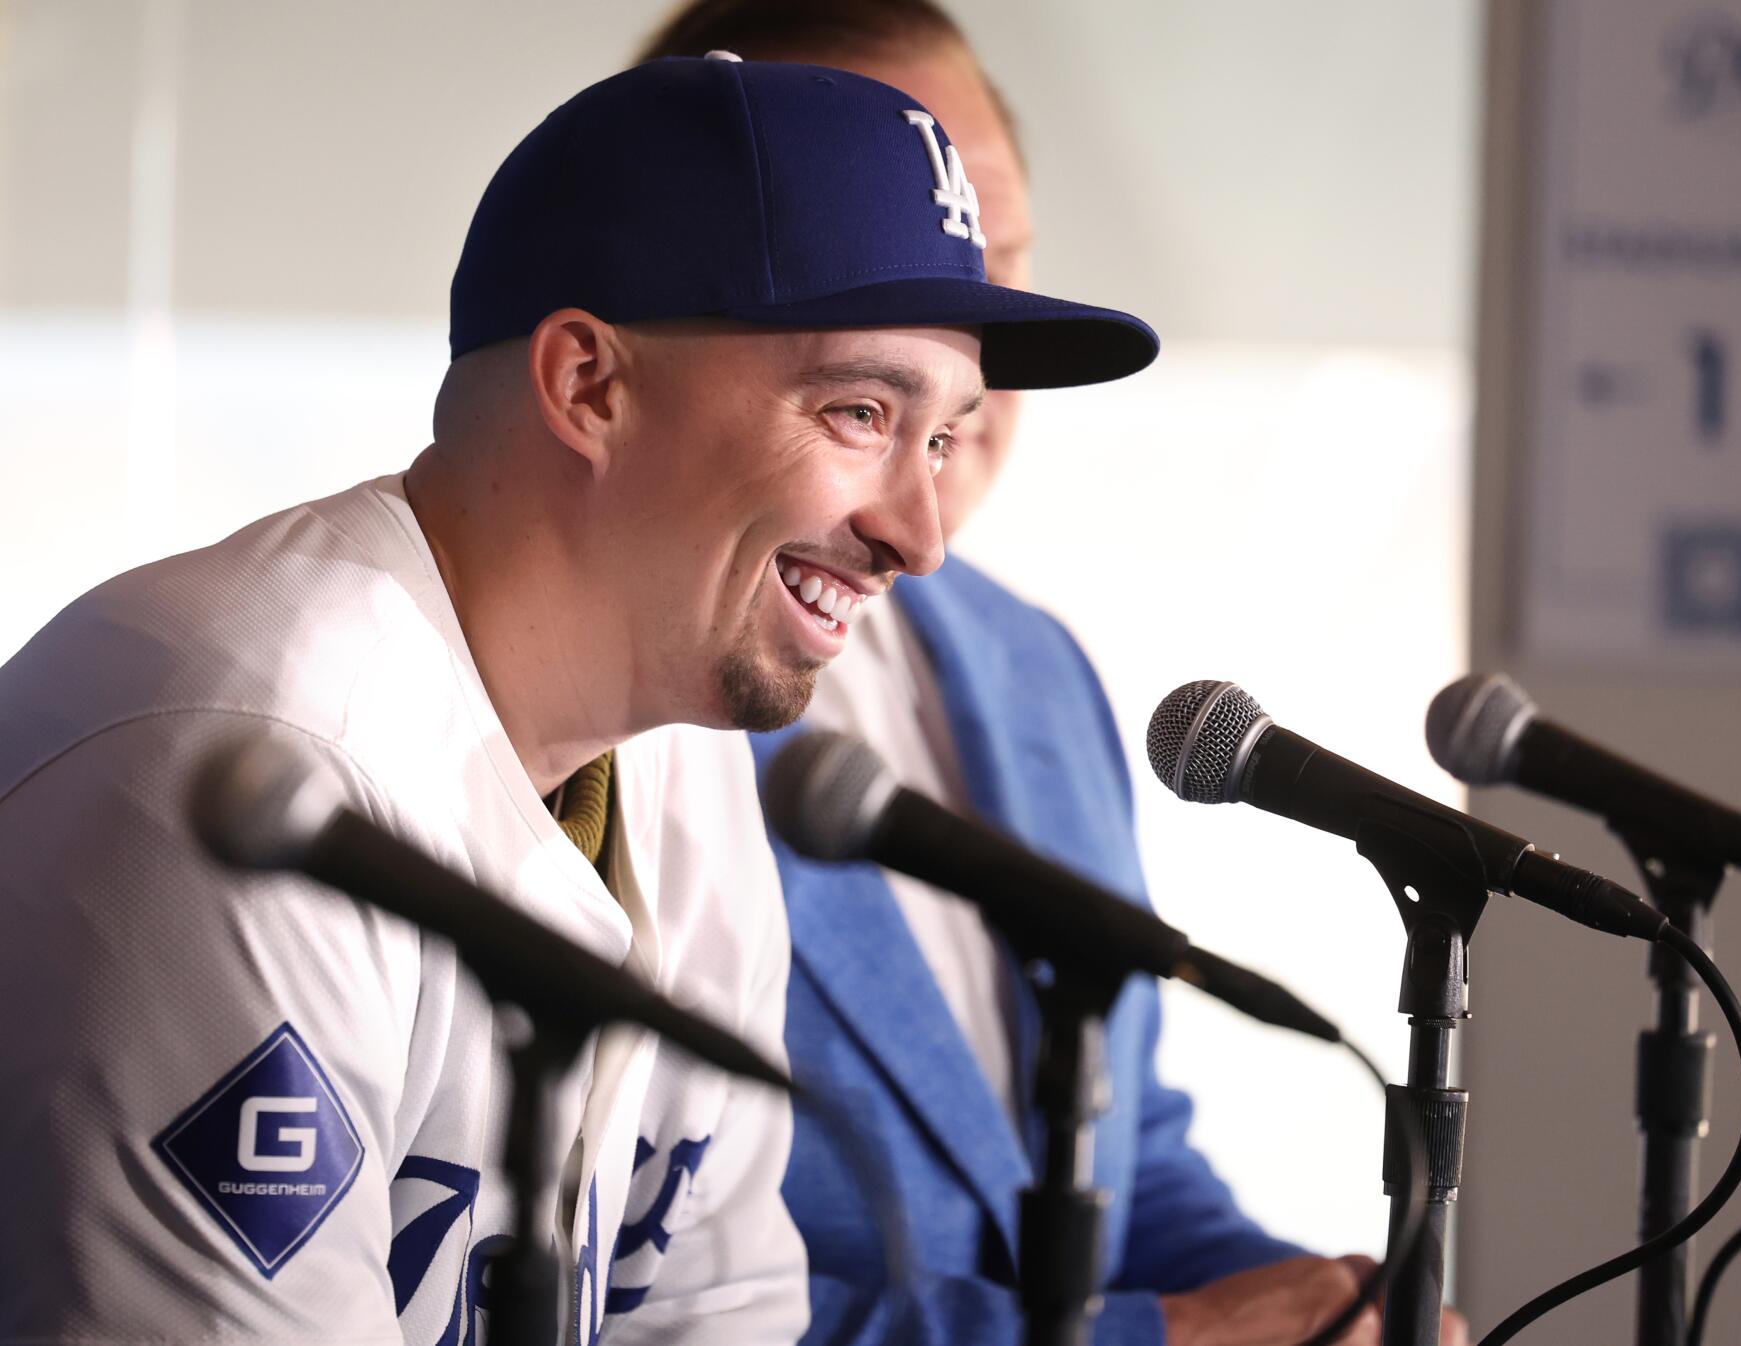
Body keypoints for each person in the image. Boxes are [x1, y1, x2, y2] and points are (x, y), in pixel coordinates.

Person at [0, 53, 1156, 1345]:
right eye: (858, 412)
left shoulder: (679, 757)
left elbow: (719, 1313)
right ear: (587, 387)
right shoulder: (248, 753)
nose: (920, 534)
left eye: (940, 436)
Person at [638, 8, 1465, 1346]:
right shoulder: (608, 704)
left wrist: (1333, 1313)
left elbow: (1119, 1157)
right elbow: (630, 1300)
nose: (972, 367)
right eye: (896, 281)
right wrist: (1172, 1337)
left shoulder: (1037, 671)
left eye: (998, 274)